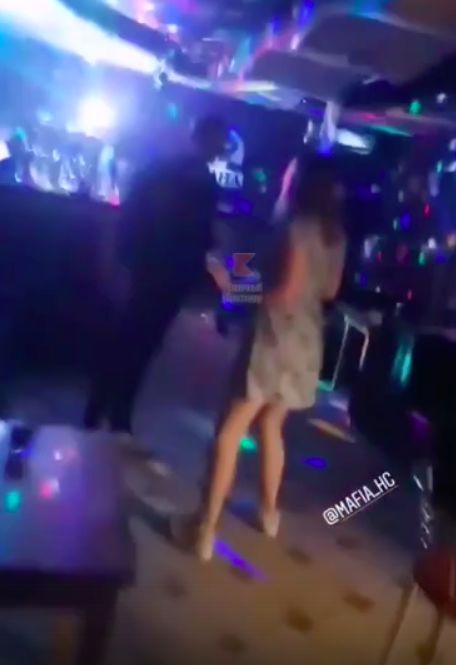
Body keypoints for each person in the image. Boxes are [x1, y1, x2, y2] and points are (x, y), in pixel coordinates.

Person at [175, 154, 347, 561]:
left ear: (300, 183)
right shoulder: (335, 235)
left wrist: (231, 287)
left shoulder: (295, 228)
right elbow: (328, 292)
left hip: (273, 341)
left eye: (290, 171)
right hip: (306, 343)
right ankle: (269, 515)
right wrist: (245, 277)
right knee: (271, 425)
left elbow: (283, 292)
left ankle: (203, 530)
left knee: (229, 432)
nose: (284, 176)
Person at [83, 114, 229, 440]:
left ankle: (99, 409)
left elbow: (132, 214)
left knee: (126, 338)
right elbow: (196, 233)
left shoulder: (162, 169)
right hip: (169, 273)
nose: (221, 148)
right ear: (208, 139)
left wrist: (120, 258)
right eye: (220, 141)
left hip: (148, 266)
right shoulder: (201, 182)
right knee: (142, 344)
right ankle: (117, 413)